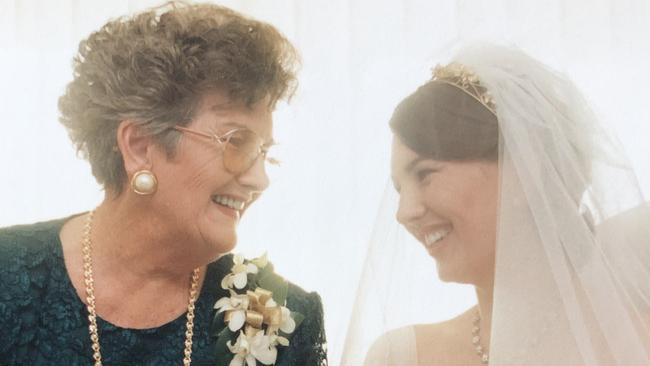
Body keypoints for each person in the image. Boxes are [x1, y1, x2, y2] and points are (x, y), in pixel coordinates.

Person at [0, 2, 327, 365]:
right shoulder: (7, 278)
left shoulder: (279, 321)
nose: (259, 180)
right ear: (139, 146)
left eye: (264, 152)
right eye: (236, 142)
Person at [341, 44, 650, 365]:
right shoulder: (401, 357)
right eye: (399, 188)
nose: (404, 213)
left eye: (425, 174)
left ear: (522, 166)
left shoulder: (635, 344)